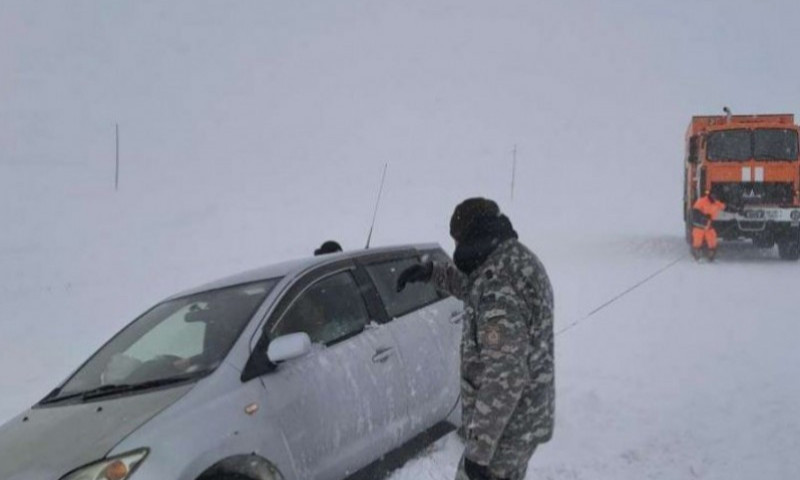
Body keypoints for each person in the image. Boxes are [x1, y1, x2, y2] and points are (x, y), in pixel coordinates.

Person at [397, 198, 555, 480]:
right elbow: (473, 287)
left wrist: (479, 452)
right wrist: (432, 273)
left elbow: (505, 374)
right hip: (520, 417)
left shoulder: (497, 283)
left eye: (457, 240)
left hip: (504, 429)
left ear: (470, 235)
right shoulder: (511, 258)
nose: (456, 248)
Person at [691, 190, 727, 261]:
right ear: (709, 195)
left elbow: (725, 207)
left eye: (716, 196)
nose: (714, 197)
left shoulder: (717, 203)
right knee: (697, 241)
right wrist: (704, 216)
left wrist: (738, 210)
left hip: (709, 226)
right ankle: (696, 255)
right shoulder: (701, 201)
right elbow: (695, 212)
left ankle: (711, 255)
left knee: (712, 241)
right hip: (699, 225)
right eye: (713, 196)